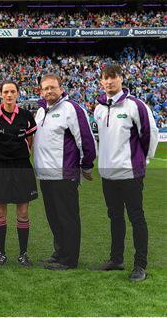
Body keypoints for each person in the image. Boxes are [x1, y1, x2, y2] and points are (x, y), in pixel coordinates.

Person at [94, 64, 158, 282]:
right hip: (108, 174)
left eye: (113, 77)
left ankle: (140, 265)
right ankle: (116, 259)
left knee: (136, 218)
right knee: (114, 217)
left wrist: (144, 160)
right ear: (101, 82)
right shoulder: (99, 108)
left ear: (121, 79)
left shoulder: (135, 106)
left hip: (130, 173)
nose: (109, 82)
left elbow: (150, 134)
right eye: (105, 78)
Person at [34, 74, 96, 270]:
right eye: (46, 88)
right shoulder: (41, 112)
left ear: (61, 88)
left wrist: (86, 165)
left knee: (67, 218)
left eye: (53, 87)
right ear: (41, 92)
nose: (49, 91)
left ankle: (69, 260)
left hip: (64, 174)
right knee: (54, 218)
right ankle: (59, 252)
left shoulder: (71, 109)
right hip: (46, 175)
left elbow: (86, 139)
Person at [0, 80, 37, 266]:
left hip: (22, 167)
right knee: (0, 213)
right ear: (0, 94)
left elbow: (30, 140)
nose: (9, 95)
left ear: (17, 94)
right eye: (5, 91)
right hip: (1, 168)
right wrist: (1, 157)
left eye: (12, 91)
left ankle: (23, 254)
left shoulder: (26, 116)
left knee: (23, 213)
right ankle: (1, 253)